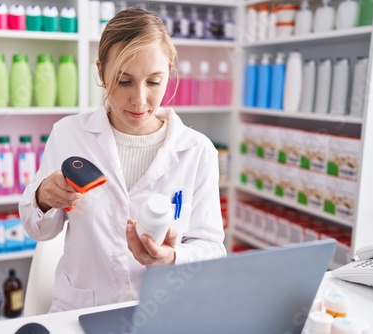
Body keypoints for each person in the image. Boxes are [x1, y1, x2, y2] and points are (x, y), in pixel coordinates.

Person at [19, 7, 226, 313]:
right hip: (81, 310)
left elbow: (211, 249)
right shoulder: (68, 134)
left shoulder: (197, 151)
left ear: (169, 72)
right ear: (101, 72)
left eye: (154, 82)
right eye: (124, 81)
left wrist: (171, 258)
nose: (139, 100)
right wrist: (43, 198)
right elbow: (39, 230)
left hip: (163, 312)